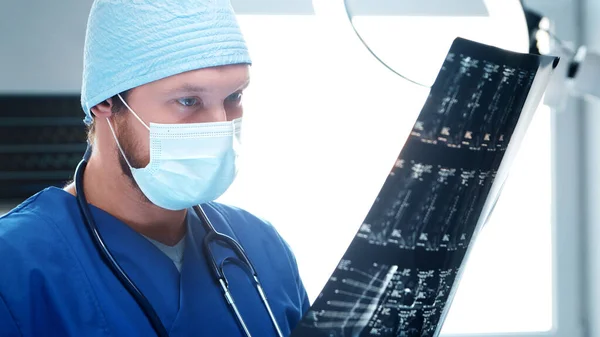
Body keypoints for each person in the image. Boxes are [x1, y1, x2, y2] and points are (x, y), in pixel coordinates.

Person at [0, 0, 310, 336]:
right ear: (105, 101)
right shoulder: (14, 268)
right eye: (188, 101)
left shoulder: (262, 247)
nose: (220, 125)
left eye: (234, 96)